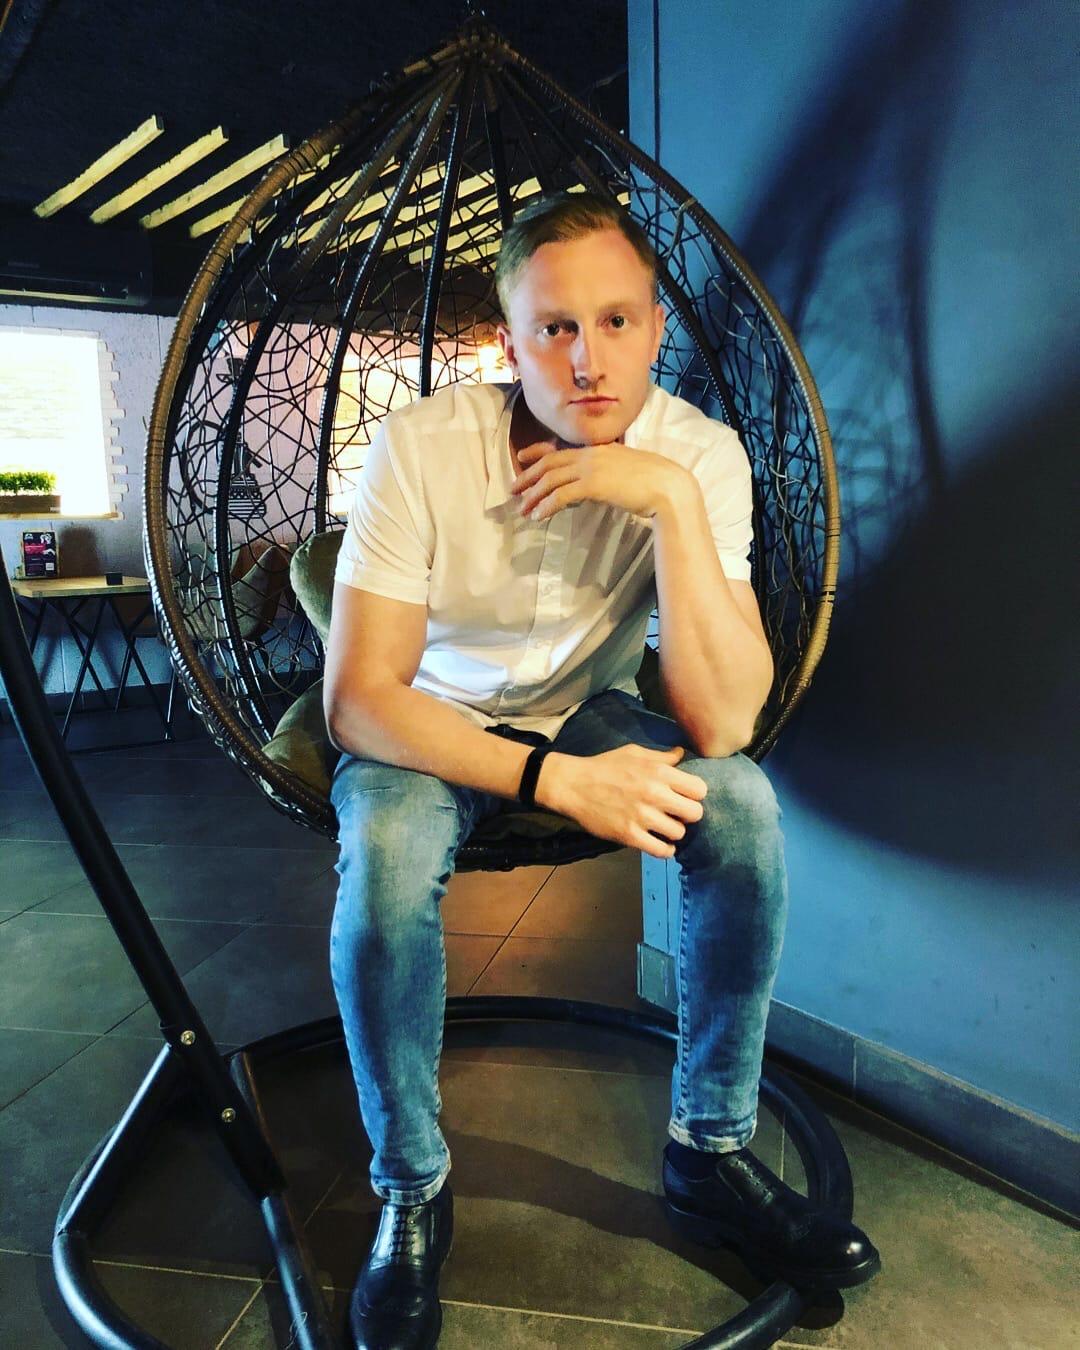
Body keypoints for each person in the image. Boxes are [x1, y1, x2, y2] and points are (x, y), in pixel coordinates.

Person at [323, 191, 880, 1349]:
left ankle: (708, 1152)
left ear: (656, 326)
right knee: (381, 864)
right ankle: (411, 1187)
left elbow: (723, 719)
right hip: (433, 723)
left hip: (590, 710)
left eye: (617, 322)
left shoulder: (698, 457)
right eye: (557, 328)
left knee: (743, 811)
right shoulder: (423, 448)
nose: (588, 360)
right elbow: (361, 698)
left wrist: (668, 504)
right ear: (511, 340)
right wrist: (552, 784)